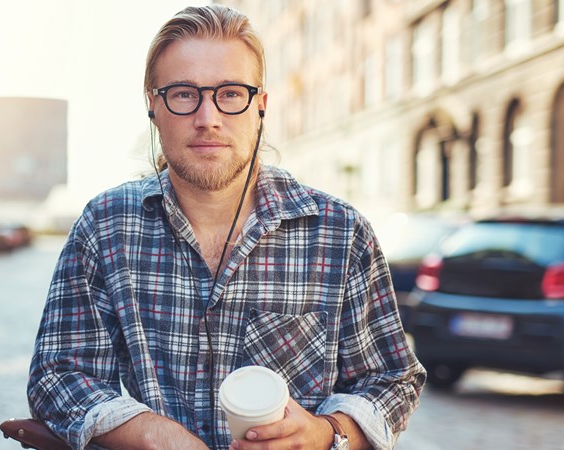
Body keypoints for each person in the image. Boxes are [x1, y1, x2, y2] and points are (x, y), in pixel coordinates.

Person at [27, 5, 425, 450]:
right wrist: (154, 435)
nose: (208, 118)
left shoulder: (340, 233)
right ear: (153, 108)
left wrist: (324, 433)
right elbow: (58, 375)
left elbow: (392, 380)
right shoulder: (105, 227)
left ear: (260, 107)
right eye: (182, 94)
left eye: (231, 93)